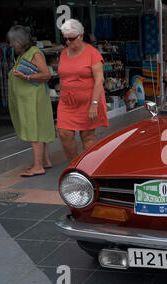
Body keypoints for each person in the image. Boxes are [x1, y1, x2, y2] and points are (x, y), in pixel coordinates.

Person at [7, 25, 55, 177]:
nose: (10, 45)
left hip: (33, 100)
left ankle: (38, 166)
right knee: (37, 129)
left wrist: (26, 77)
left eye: (12, 42)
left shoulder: (34, 53)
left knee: (34, 130)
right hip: (28, 100)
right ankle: (44, 161)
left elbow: (46, 74)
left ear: (19, 41)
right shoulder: (25, 53)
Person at [57, 19, 108, 163]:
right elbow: (63, 76)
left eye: (71, 38)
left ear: (80, 36)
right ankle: (74, 165)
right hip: (67, 102)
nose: (68, 42)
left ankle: (89, 167)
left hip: (88, 101)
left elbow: (99, 80)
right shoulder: (63, 53)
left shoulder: (92, 53)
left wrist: (94, 103)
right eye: (65, 39)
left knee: (87, 137)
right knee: (64, 133)